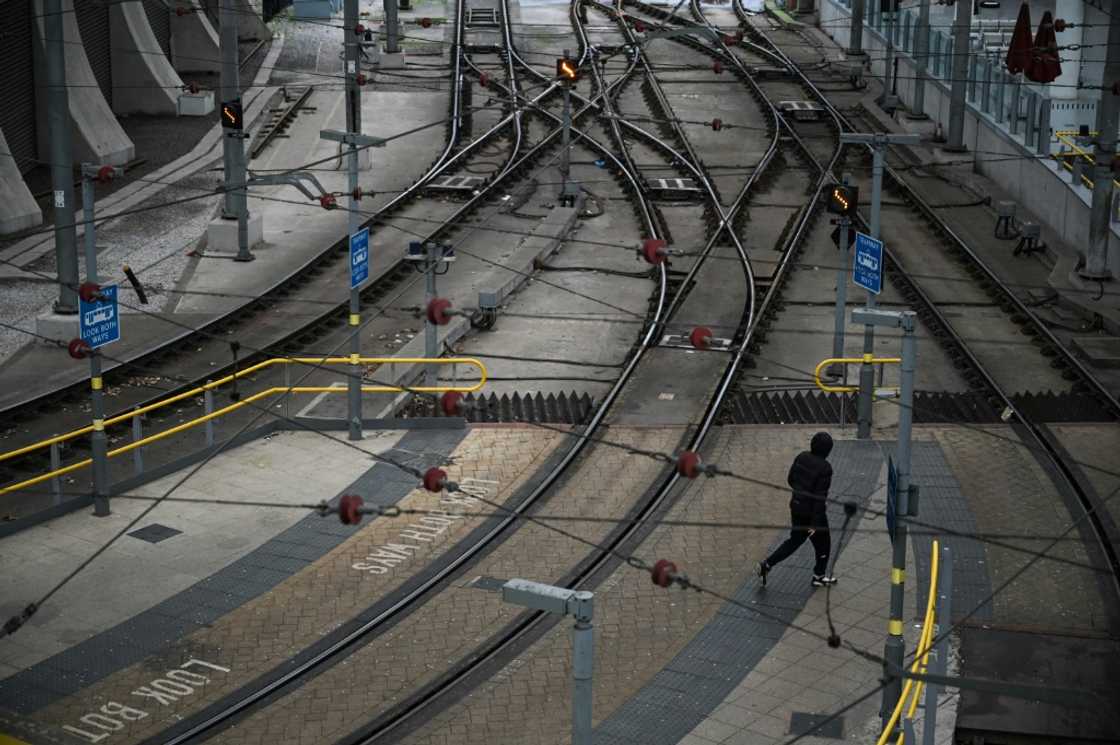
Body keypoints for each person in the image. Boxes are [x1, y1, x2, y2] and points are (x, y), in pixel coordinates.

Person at [758, 432, 838, 588]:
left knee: (794, 540)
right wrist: (814, 524)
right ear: (827, 450)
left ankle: (767, 564)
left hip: (796, 508)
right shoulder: (825, 468)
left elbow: (791, 479)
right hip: (813, 515)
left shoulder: (802, 457)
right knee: (824, 545)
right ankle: (819, 576)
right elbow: (819, 499)